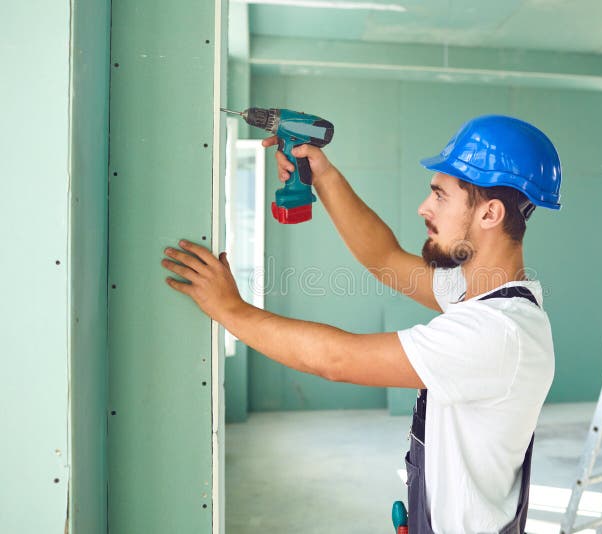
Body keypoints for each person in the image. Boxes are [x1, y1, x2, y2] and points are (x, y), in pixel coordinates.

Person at [161, 114, 561, 533]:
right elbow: (384, 259)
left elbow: (335, 360)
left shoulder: (495, 334)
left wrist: (230, 311)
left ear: (490, 214)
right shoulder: (483, 294)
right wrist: (322, 176)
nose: (424, 207)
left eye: (440, 195)